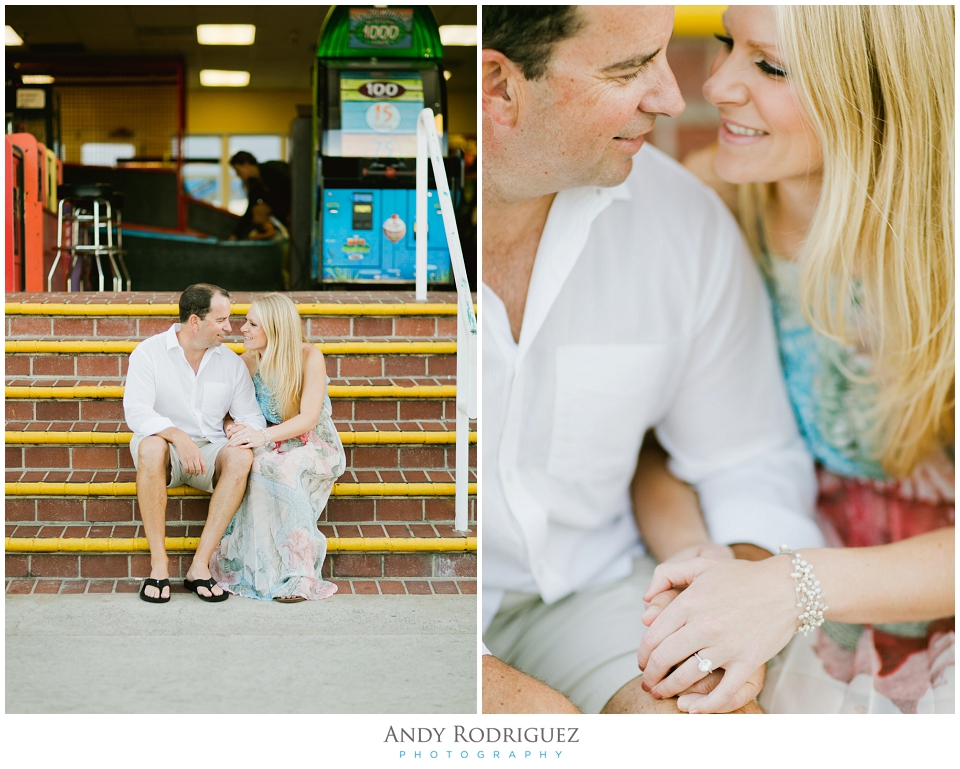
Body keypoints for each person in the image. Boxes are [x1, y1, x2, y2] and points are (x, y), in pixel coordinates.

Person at [481, 5, 824, 715]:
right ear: (499, 86)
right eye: (630, 68)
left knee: (716, 732)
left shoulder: (683, 222)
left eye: (664, 56)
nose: (673, 96)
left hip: (598, 591)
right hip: (406, 595)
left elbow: (746, 459)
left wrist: (733, 602)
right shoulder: (362, 246)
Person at [636, 5, 954, 714]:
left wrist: (790, 585)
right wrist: (710, 561)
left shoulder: (945, 249)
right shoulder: (707, 205)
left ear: (881, 94)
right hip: (764, 551)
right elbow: (649, 450)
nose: (716, 84)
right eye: (725, 44)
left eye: (770, 65)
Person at [123, 283, 265, 603]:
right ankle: (159, 566)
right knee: (150, 446)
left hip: (211, 449)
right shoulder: (149, 353)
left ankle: (199, 567)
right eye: (222, 320)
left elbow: (252, 417)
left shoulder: (230, 363)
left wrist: (236, 430)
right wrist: (178, 436)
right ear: (195, 321)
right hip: (165, 446)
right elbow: (137, 412)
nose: (230, 328)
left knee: (241, 458)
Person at [209, 293, 346, 602]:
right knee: (252, 463)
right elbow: (229, 413)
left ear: (275, 329)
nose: (242, 328)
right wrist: (234, 430)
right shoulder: (246, 361)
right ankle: (260, 571)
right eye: (246, 321)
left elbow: (309, 419)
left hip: (312, 444)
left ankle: (298, 574)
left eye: (252, 324)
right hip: (270, 442)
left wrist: (263, 439)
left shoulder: (309, 356)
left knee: (279, 466)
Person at [230, 151, 292, 240]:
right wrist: (236, 235)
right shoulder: (256, 185)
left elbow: (292, 188)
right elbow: (249, 211)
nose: (238, 174)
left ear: (246, 164)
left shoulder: (272, 169)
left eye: (237, 170)